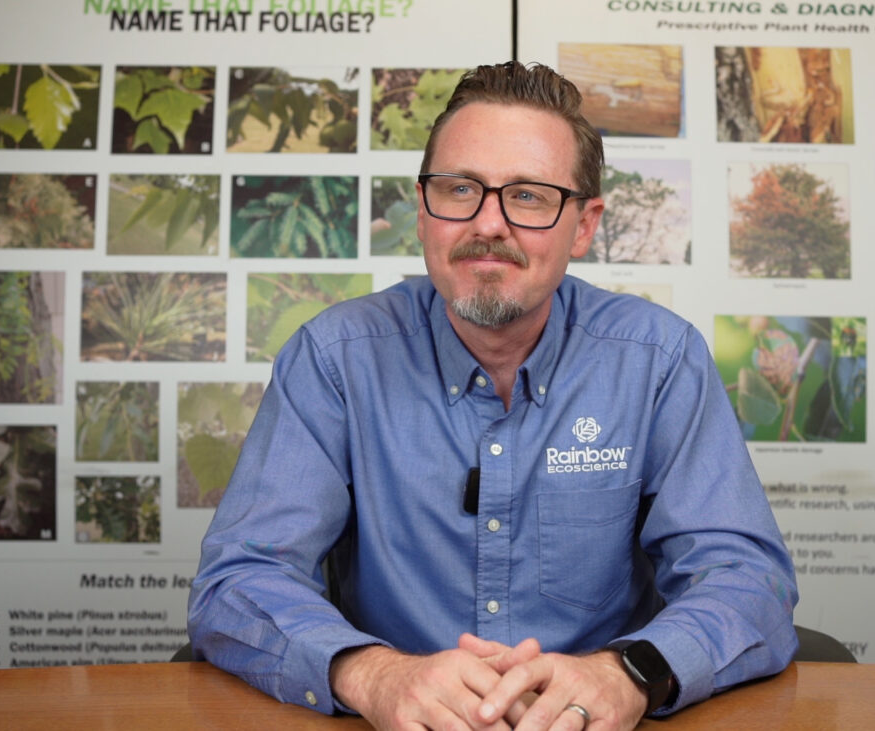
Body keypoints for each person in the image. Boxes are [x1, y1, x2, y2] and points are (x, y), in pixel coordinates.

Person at [188, 61, 798, 730]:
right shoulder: (333, 361)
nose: (490, 223)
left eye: (529, 196)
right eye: (460, 189)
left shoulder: (659, 362)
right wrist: (374, 674)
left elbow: (747, 581)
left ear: (585, 225)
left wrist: (627, 673)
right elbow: (239, 580)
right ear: (422, 211)